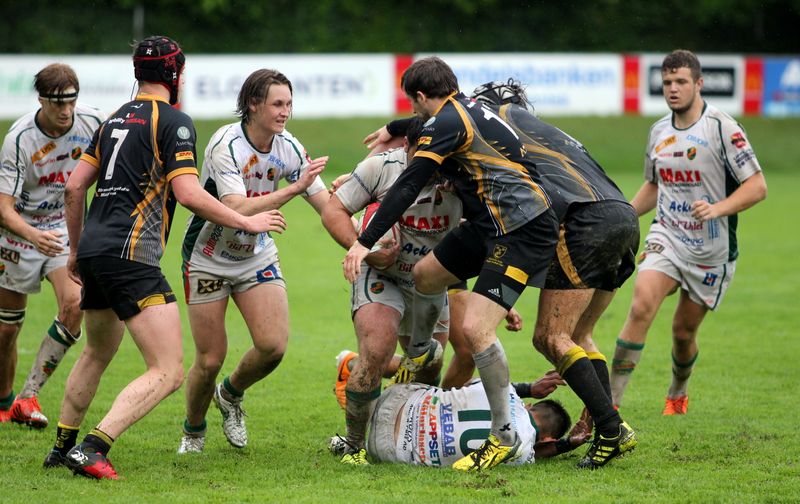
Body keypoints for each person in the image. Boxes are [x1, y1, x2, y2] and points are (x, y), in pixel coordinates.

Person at [350, 63, 639, 470]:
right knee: (425, 275)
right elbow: (429, 124)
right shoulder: (473, 115)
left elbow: (411, 181)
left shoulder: (468, 117)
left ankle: (508, 436)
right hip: (500, 223)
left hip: (526, 226)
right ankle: (420, 353)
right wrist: (395, 127)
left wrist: (363, 242)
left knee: (490, 331)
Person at [42, 36, 286, 480]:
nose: (183, 80)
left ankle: (61, 447)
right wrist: (246, 221)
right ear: (172, 74)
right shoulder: (174, 121)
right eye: (182, 72)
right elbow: (188, 193)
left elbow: (74, 187)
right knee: (169, 369)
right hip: (132, 255)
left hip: (94, 251)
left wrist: (76, 250)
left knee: (97, 351)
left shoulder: (113, 119)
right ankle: (93, 447)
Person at [177, 69, 329, 454]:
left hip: (255, 254)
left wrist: (360, 230)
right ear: (253, 105)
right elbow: (235, 207)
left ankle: (230, 394)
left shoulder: (288, 146)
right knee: (210, 359)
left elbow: (326, 204)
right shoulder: (226, 144)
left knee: (273, 346)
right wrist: (294, 189)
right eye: (277, 104)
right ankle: (193, 432)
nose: (285, 112)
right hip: (208, 256)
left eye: (289, 104)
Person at [609, 49, 767, 415]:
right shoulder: (658, 131)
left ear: (698, 84)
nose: (673, 89)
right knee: (641, 305)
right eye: (667, 82)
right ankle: (609, 408)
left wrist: (718, 208)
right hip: (667, 236)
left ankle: (678, 388)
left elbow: (757, 186)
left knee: (683, 333)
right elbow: (655, 185)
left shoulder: (723, 128)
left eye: (681, 81)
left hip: (711, 250)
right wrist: (624, 215)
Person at [322, 117, 463, 465]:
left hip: (430, 281)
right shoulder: (381, 168)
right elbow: (334, 210)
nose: (429, 162)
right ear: (406, 146)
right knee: (376, 350)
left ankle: (398, 436)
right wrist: (365, 249)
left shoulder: (461, 176)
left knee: (428, 364)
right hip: (381, 274)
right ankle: (354, 446)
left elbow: (479, 236)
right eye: (421, 153)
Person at [0, 64, 105, 428]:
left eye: (72, 101)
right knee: (6, 331)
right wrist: (32, 235)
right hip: (18, 234)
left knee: (75, 304)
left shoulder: (93, 123)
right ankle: (4, 403)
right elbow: (3, 209)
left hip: (62, 231)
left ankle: (27, 397)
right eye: (58, 103)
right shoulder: (19, 139)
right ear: (41, 100)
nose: (66, 111)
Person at [329, 370, 590, 466]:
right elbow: (538, 451)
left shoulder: (506, 393)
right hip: (388, 450)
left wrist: (528, 388)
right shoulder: (522, 454)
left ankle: (363, 380)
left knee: (437, 372)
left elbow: (467, 384)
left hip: (396, 401)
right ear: (547, 439)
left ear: (530, 406)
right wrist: (568, 444)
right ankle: (351, 435)